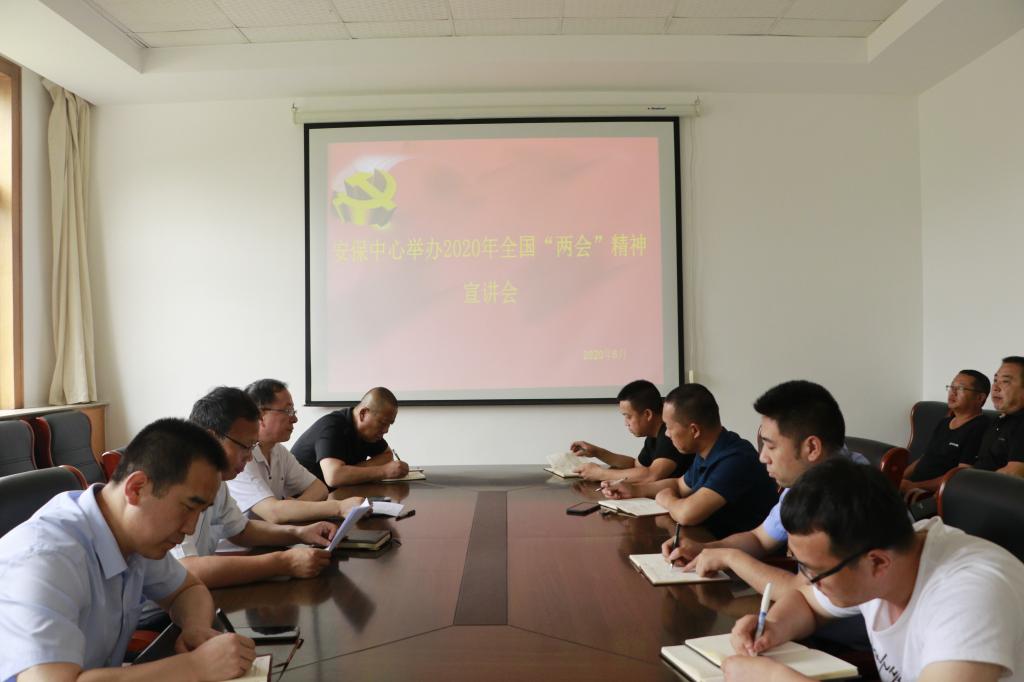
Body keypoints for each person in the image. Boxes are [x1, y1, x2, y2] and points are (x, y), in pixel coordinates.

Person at [724, 457, 1024, 682]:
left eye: (816, 573)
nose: (810, 582)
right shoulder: (884, 548)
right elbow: (806, 602)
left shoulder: (972, 594)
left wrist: (775, 677)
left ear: (877, 563)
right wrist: (773, 627)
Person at [0, 418, 257, 681]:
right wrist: (195, 666)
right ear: (136, 488)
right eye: (188, 507)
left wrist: (196, 627)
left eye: (200, 512)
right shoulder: (45, 559)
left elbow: (187, 589)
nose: (190, 528)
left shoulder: (130, 532)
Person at [139, 388, 339, 631]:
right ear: (212, 438)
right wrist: (283, 562)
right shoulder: (173, 479)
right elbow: (189, 568)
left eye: (254, 446)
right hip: (155, 618)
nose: (250, 457)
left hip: (190, 602)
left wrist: (299, 533)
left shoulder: (217, 480)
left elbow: (241, 530)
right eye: (246, 446)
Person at [662, 380, 867, 599]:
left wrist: (730, 558)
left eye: (771, 446)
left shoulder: (848, 494)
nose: (762, 457)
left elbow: (807, 592)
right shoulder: (806, 481)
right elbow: (759, 539)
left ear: (812, 448)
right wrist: (704, 549)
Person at [603, 384, 777, 539]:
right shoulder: (708, 449)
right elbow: (680, 485)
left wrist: (666, 498)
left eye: (669, 427)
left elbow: (687, 514)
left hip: (744, 555)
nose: (666, 434)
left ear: (694, 430)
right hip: (713, 543)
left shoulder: (735, 459)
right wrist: (634, 490)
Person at [227, 378, 363, 523]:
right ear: (260, 415)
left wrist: (292, 507)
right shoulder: (241, 456)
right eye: (288, 411)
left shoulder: (278, 451)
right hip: (243, 537)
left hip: (272, 533)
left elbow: (319, 489)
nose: (295, 419)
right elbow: (273, 513)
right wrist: (339, 507)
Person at [569, 379, 694, 482]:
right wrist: (597, 452)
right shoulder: (653, 436)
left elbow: (651, 475)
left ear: (647, 414)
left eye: (628, 416)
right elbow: (636, 466)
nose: (625, 423)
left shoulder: (669, 435)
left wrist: (601, 474)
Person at [291, 387, 408, 486]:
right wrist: (384, 471)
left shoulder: (369, 433)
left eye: (389, 424)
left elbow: (387, 455)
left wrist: (352, 470)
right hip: (301, 498)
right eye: (382, 423)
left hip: (330, 495)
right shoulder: (332, 427)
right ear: (363, 414)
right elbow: (334, 477)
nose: (386, 430)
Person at [899, 369, 991, 495]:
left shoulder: (980, 427)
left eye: (960, 388)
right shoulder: (945, 422)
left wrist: (913, 486)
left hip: (936, 494)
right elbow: (924, 458)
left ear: (979, 398)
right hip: (913, 487)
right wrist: (899, 479)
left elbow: (962, 476)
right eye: (951, 387)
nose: (953, 392)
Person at [972, 356, 1024, 477]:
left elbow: (1013, 472)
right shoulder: (999, 419)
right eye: (995, 380)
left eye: (1005, 381)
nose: (995, 387)